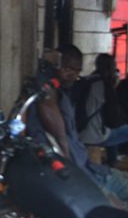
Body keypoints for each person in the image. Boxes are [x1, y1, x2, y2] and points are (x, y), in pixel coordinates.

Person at [26, 44, 128, 207]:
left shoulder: (69, 89)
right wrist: (66, 153)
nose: (72, 74)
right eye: (67, 68)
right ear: (57, 65)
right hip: (83, 178)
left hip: (91, 169)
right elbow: (48, 105)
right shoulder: (46, 86)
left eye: (76, 70)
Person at [75, 53, 128, 166]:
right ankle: (114, 161)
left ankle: (112, 161)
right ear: (110, 67)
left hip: (80, 132)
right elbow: (113, 120)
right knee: (119, 129)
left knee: (110, 129)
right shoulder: (105, 85)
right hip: (94, 136)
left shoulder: (89, 80)